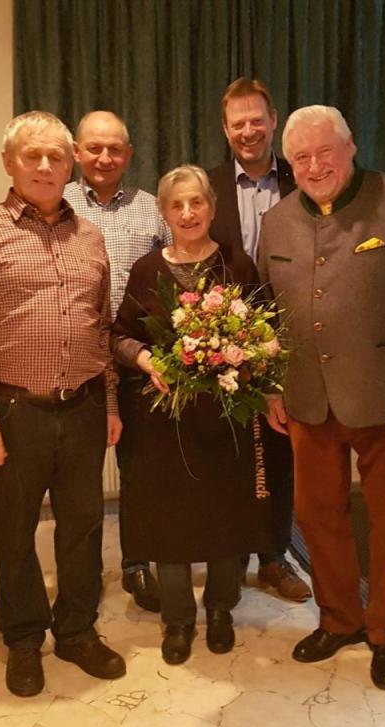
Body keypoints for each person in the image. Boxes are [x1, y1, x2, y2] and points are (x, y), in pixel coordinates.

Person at [258, 106, 385, 690]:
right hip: (306, 399)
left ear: (350, 147)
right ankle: (339, 619)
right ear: (289, 164)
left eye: (325, 152)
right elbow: (265, 312)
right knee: (317, 517)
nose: (315, 166)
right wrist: (271, 385)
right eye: (301, 157)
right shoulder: (277, 221)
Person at [0, 111, 126, 698]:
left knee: (83, 527)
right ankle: (24, 639)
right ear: (9, 163)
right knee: (15, 532)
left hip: (84, 407)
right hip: (12, 412)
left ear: (71, 165)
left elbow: (102, 328)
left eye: (56, 156)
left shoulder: (89, 236)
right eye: (32, 155)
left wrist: (110, 404)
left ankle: (76, 630)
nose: (45, 166)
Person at [111, 165, 273, 665]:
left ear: (212, 208)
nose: (187, 213)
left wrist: (248, 357)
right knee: (170, 518)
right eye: (176, 204)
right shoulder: (146, 270)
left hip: (226, 418)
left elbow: (266, 332)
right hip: (164, 420)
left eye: (196, 202)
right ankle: (178, 617)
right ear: (163, 212)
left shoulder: (237, 265)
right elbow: (119, 337)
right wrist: (147, 359)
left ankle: (221, 608)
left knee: (225, 513)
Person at [206, 77, 310, 604]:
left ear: (273, 121)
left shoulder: (304, 178)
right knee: (225, 452)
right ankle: (227, 553)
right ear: (225, 130)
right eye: (237, 123)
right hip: (220, 335)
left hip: (291, 334)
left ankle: (274, 555)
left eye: (256, 120)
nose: (248, 131)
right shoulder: (207, 185)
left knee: (279, 450)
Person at [63, 110, 171, 614]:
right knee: (79, 477)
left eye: (114, 149)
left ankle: (137, 562)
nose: (104, 157)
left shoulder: (153, 210)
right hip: (75, 362)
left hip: (139, 360)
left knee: (140, 470)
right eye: (94, 147)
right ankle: (81, 575)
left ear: (129, 154)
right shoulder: (56, 205)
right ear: (76, 152)